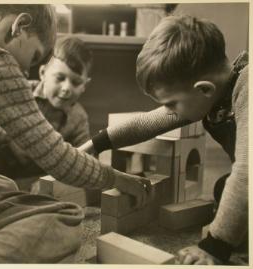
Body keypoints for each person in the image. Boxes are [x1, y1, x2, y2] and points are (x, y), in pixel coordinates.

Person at [0, 4, 152, 263]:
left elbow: (79, 152)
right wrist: (117, 179)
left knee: (7, 188)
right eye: (35, 57)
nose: (24, 72)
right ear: (20, 27)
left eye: (75, 82)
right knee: (67, 216)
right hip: (5, 168)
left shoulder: (78, 115)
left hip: (16, 177)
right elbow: (58, 158)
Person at [79, 15, 248, 265]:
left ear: (204, 89)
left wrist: (214, 246)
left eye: (171, 103)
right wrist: (97, 143)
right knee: (224, 190)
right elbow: (149, 122)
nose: (169, 111)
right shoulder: (209, 93)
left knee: (236, 195)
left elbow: (247, 173)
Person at [0, 36, 93, 178]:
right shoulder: (18, 90)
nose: (66, 88)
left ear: (85, 86)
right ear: (43, 73)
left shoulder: (79, 117)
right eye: (60, 78)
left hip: (39, 180)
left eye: (76, 82)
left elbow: (84, 156)